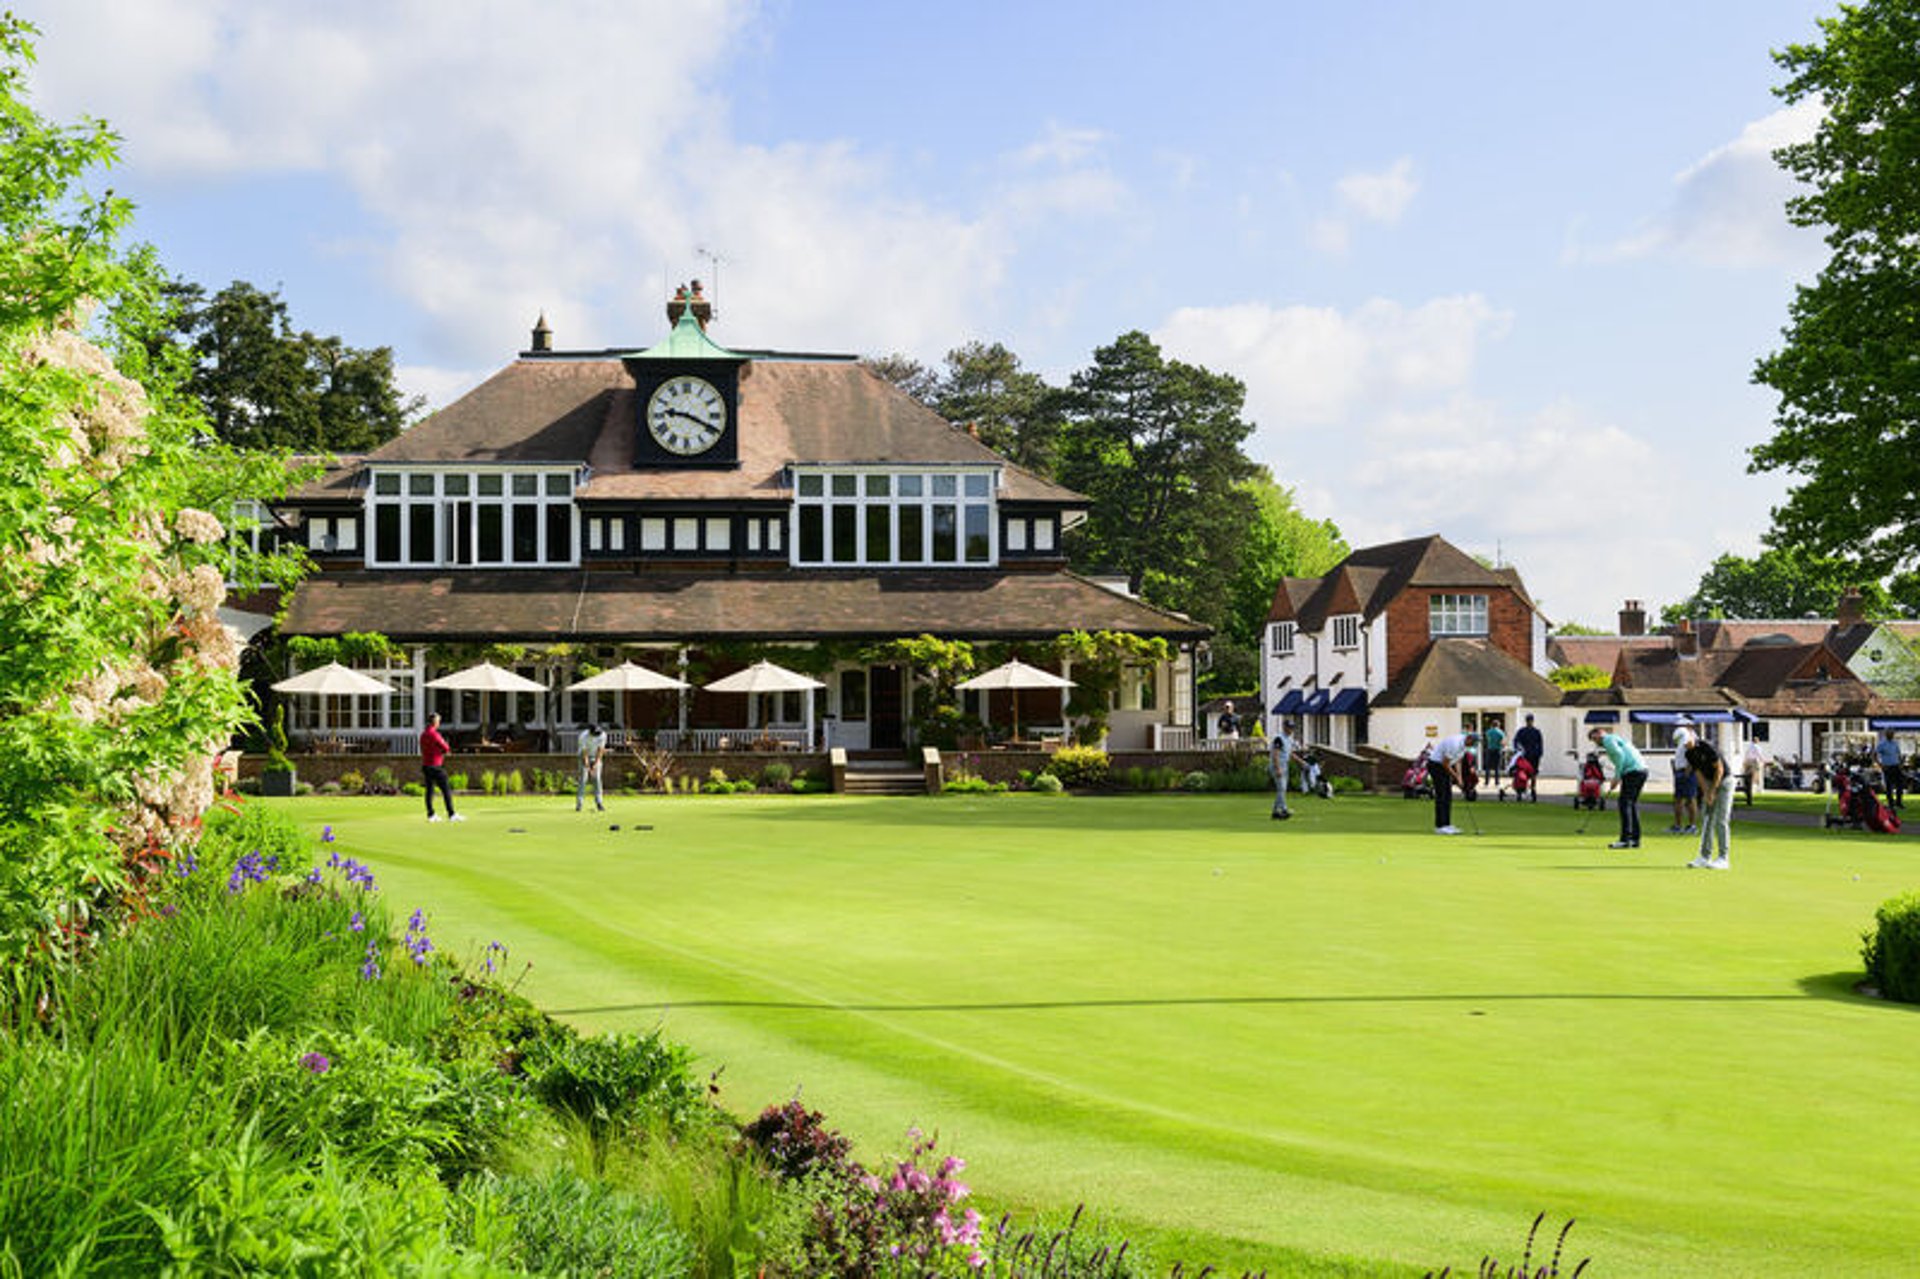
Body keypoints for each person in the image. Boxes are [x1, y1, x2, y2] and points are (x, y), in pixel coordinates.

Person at [1589, 726, 1648, 849]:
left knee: (1624, 803)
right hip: (1641, 770)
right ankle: (1634, 839)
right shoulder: (1615, 738)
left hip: (1633, 771)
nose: (1596, 742)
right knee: (1631, 804)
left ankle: (1625, 839)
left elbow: (1620, 756)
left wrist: (1617, 777)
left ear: (1600, 733)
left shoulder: (1608, 740)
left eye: (1594, 738)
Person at [1686, 728, 1733, 870]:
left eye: (1686, 742)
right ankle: (1704, 857)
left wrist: (1713, 791)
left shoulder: (1707, 747)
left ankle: (1723, 858)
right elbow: (1699, 773)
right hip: (1708, 782)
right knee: (1707, 819)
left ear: (1692, 738)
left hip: (1725, 782)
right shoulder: (1689, 753)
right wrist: (1706, 792)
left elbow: (1719, 769)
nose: (1685, 746)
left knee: (1721, 819)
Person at [1429, 730, 1478, 835]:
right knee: (1441, 795)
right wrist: (1455, 777)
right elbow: (1445, 763)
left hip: (1444, 765)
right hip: (1436, 765)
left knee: (1448, 795)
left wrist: (1459, 778)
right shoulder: (1455, 744)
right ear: (1468, 738)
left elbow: (1458, 761)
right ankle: (1440, 826)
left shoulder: (1464, 745)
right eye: (1473, 742)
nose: (1473, 744)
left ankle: (1446, 824)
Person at [419, 711, 462, 823]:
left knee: (429, 791)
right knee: (446, 789)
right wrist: (443, 750)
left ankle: (431, 814)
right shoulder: (434, 734)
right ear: (435, 722)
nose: (439, 723)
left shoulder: (423, 734)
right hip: (436, 766)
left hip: (426, 765)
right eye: (438, 721)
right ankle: (451, 814)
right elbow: (446, 747)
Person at [1668, 726, 1699, 835]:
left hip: (1687, 773)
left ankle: (1692, 826)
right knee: (1678, 799)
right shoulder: (1683, 743)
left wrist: (1688, 769)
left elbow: (1695, 757)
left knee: (1690, 799)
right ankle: (1677, 826)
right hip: (1680, 772)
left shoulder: (1688, 741)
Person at [576, 722, 609, 813]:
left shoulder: (602, 735)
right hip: (583, 756)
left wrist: (594, 765)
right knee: (583, 779)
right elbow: (585, 754)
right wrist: (588, 767)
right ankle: (579, 804)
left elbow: (600, 751)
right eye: (595, 734)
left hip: (596, 756)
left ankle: (599, 803)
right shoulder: (583, 736)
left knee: (597, 779)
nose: (596, 735)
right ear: (590, 732)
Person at [1268, 718, 1294, 820]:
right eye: (1289, 727)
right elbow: (1275, 754)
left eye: (1292, 727)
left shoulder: (1289, 739)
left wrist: (1302, 763)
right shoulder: (1279, 738)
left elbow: (1289, 753)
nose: (1290, 729)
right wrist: (1278, 768)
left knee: (1282, 790)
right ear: (1284, 727)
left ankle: (1275, 812)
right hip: (1277, 766)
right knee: (1281, 789)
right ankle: (1283, 809)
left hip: (1285, 766)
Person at [1876, 729, 1904, 810]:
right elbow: (1874, 754)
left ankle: (1898, 802)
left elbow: (1898, 753)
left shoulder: (1895, 743)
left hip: (1896, 766)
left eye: (1892, 734)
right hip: (1887, 767)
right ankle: (1891, 803)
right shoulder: (1882, 744)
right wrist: (1880, 765)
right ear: (1886, 734)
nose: (1892, 735)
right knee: (1889, 786)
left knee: (1900, 785)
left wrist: (1900, 763)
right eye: (1890, 734)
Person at [1514, 713, 1545, 779]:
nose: (1529, 722)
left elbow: (1540, 743)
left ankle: (1532, 786)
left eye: (1530, 720)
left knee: (1533, 770)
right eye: (1528, 720)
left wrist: (1540, 753)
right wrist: (1517, 750)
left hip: (1533, 754)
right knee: (1527, 770)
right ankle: (1527, 785)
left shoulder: (1535, 731)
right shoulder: (1524, 731)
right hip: (1527, 754)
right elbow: (1516, 741)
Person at [1741, 738, 1765, 807]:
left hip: (1747, 762)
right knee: (1756, 776)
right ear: (1757, 741)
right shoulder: (1757, 747)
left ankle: (1750, 789)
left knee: (1748, 777)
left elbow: (1746, 755)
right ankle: (1758, 789)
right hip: (1754, 762)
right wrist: (1763, 761)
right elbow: (1759, 755)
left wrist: (1744, 763)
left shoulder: (1749, 747)